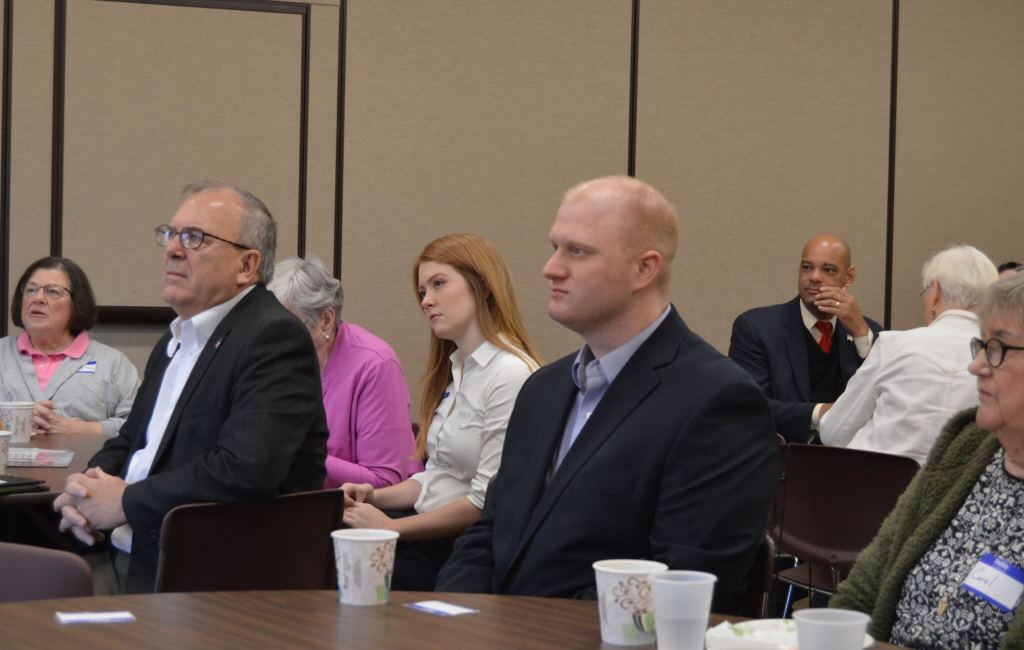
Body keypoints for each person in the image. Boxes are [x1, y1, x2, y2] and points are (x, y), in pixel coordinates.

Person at [435, 177, 777, 613]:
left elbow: (676, 585)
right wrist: (451, 618)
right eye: (555, 246)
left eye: (577, 251)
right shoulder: (543, 388)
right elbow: (491, 532)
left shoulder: (719, 403)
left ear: (644, 269)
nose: (550, 267)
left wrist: (511, 631)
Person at [52, 181, 328, 592]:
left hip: (211, 576)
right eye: (171, 234)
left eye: (195, 237)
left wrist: (124, 501)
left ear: (247, 265)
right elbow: (132, 440)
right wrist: (84, 489)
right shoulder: (175, 340)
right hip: (133, 552)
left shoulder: (273, 338)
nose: (173, 249)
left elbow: (245, 469)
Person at [830, 272, 1024, 648]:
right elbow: (866, 584)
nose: (977, 365)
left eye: (998, 347)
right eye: (980, 345)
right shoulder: (965, 446)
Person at [341, 233, 540, 591]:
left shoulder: (509, 373)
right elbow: (437, 478)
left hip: (468, 549)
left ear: (482, 285)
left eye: (439, 284)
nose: (427, 301)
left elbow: (485, 502)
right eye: (422, 291)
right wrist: (373, 495)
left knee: (346, 566)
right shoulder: (458, 368)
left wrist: (390, 528)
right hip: (428, 530)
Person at [820, 245, 998, 464]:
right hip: (961, 495)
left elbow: (834, 432)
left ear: (936, 293)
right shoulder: (1003, 362)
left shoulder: (894, 345)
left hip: (876, 490)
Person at [268, 256, 422, 488]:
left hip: (368, 511)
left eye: (285, 326)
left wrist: (293, 454)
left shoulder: (375, 364)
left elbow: (385, 479)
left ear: (326, 320)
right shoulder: (273, 362)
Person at [728, 234, 883, 442]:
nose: (814, 277)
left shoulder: (870, 332)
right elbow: (748, 408)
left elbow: (881, 406)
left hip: (850, 463)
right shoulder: (757, 328)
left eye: (828, 270)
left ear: (849, 277)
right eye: (807, 267)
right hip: (781, 461)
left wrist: (860, 334)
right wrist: (821, 413)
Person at [0, 257, 139, 436]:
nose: (38, 298)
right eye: (31, 290)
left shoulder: (113, 363)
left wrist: (76, 429)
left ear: (77, 303)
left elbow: (139, 426)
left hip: (87, 464)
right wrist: (14, 421)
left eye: (53, 292)